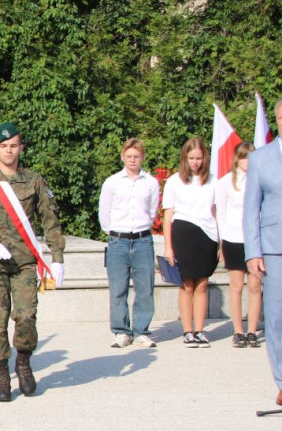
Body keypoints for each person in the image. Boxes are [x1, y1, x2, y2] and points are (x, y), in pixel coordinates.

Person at [0, 122, 65, 402]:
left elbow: (50, 219)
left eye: (14, 145)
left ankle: (24, 363)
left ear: (21, 148)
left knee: (27, 316)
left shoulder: (34, 180)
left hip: (25, 262)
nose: (9, 150)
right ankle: (2, 375)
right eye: (3, 146)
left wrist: (57, 258)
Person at [98, 138, 161, 348]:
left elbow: (152, 212)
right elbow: (104, 213)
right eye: (129, 156)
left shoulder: (151, 183)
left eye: (136, 156)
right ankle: (121, 331)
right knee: (118, 288)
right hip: (118, 241)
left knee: (145, 288)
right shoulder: (112, 182)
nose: (132, 160)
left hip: (143, 240)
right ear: (122, 157)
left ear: (142, 157)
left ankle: (141, 330)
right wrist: (115, 233)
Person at [162, 137, 218, 347]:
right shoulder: (175, 181)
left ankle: (200, 330)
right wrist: (168, 246)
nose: (195, 162)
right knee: (186, 285)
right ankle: (187, 330)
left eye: (199, 158)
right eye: (191, 158)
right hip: (183, 233)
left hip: (208, 234)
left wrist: (220, 241)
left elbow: (216, 211)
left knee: (202, 284)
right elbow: (168, 215)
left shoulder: (213, 180)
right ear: (185, 157)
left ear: (205, 158)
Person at [244, 100, 282, 407]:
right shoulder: (260, 158)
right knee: (277, 318)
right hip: (273, 248)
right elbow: (250, 210)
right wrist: (252, 252)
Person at [215, 142, 261, 348]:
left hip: (255, 240)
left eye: (250, 157)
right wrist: (221, 243)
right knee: (236, 286)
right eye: (243, 157)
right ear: (236, 158)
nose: (247, 161)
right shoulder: (226, 182)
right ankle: (238, 331)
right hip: (233, 239)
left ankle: (251, 330)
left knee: (254, 285)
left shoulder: (260, 179)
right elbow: (221, 214)